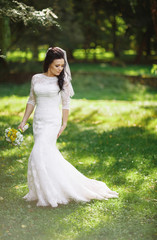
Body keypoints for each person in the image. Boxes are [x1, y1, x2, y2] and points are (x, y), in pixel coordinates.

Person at [18, 47, 119, 207]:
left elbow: (66, 103)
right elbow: (31, 100)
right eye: (57, 65)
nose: (60, 69)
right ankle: (48, 189)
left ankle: (51, 193)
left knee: (38, 152)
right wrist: (24, 121)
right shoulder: (36, 78)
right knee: (47, 155)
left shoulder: (63, 81)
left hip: (52, 121)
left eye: (62, 65)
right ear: (49, 64)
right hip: (39, 121)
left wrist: (64, 123)